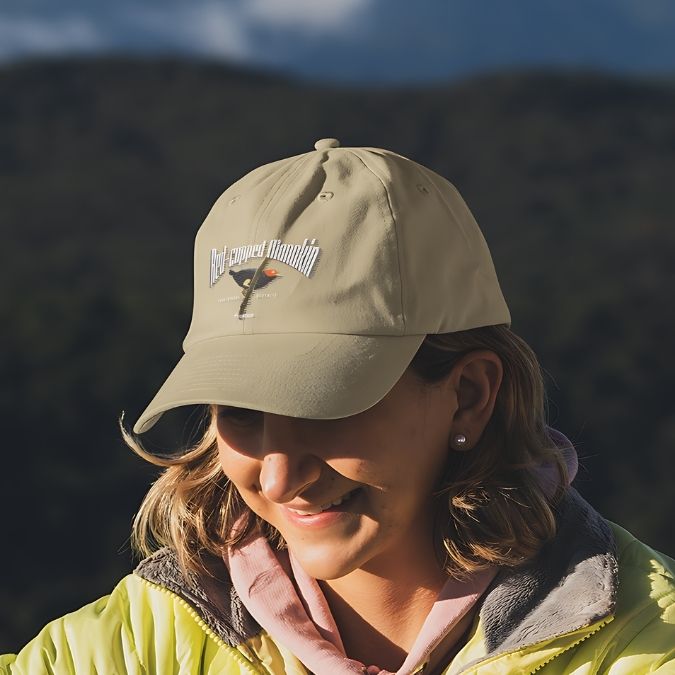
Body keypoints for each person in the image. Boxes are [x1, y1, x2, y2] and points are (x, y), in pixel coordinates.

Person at [2, 138, 674, 675]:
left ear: (468, 395)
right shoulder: (133, 648)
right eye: (237, 411)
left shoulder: (647, 643)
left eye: (326, 405)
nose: (276, 474)